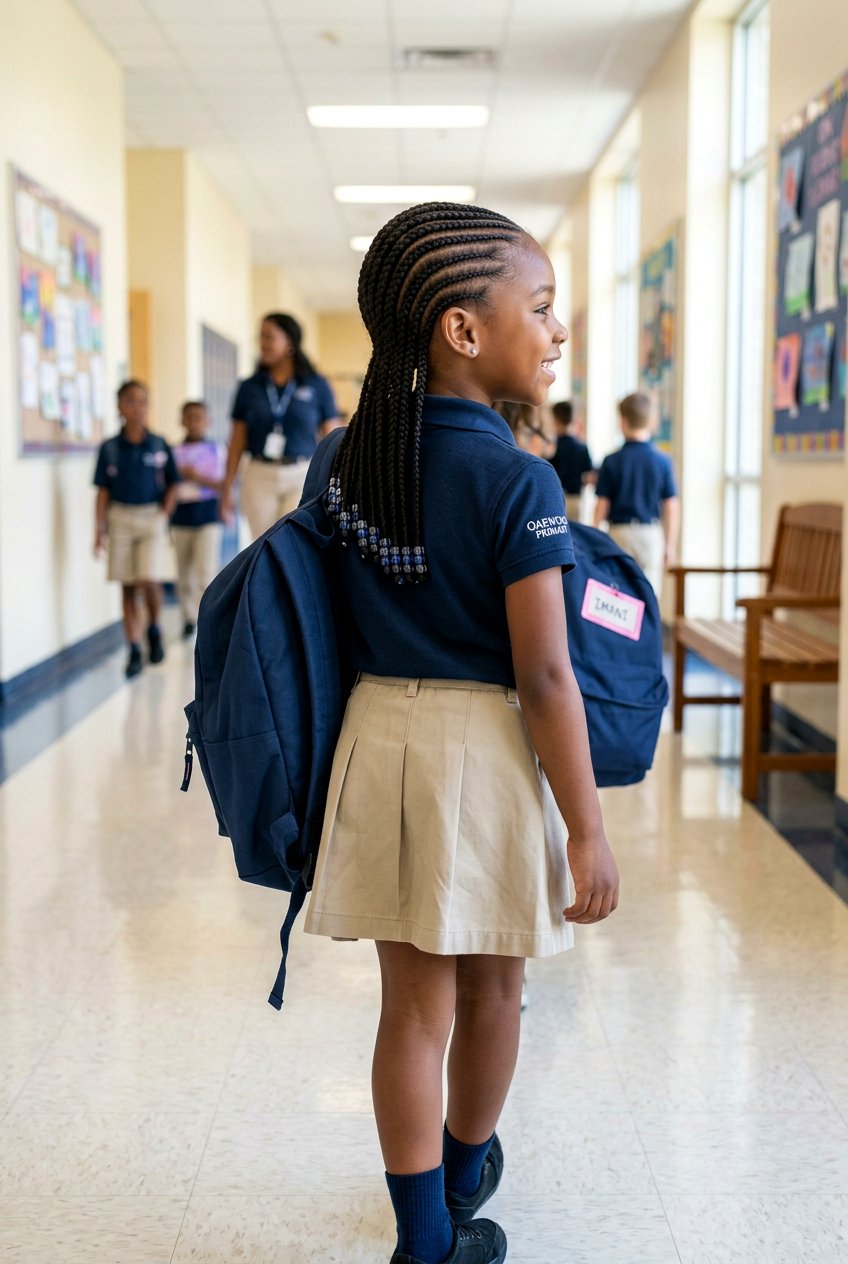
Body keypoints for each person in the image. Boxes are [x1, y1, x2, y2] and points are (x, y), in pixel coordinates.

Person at [303, 202, 619, 1264]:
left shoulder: (345, 463)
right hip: (477, 754)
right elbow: (542, 675)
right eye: (539, 307)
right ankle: (466, 1161)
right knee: (494, 990)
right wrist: (586, 828)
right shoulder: (516, 479)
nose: (556, 330)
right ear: (462, 329)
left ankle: (423, 1235)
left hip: (374, 738)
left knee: (410, 1010)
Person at [222, 312, 341, 539]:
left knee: (294, 540)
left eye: (269, 337)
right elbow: (236, 440)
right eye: (260, 338)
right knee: (263, 544)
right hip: (259, 475)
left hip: (301, 473)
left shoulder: (316, 384)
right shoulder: (250, 387)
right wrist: (227, 487)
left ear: (290, 342)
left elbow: (332, 436)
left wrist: (335, 483)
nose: (262, 344)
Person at [93, 380, 180, 678]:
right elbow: (102, 491)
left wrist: (163, 515)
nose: (137, 407)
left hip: (150, 516)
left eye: (143, 401)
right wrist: (98, 530)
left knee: (149, 579)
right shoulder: (109, 448)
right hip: (120, 518)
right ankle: (133, 648)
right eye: (130, 401)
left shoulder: (158, 444)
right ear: (119, 406)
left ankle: (154, 628)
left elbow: (174, 485)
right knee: (127, 584)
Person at [592, 391, 679, 597]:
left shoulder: (612, 460)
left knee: (619, 594)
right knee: (649, 594)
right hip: (650, 533)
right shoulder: (662, 460)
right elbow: (671, 506)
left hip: (619, 533)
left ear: (622, 421)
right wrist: (670, 545)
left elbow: (602, 505)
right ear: (650, 421)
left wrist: (594, 536)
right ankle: (648, 630)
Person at [170, 400, 226, 638]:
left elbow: (223, 484)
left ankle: (209, 617)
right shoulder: (173, 453)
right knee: (184, 572)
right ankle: (188, 618)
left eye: (199, 417)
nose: (194, 422)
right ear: (182, 421)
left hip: (208, 515)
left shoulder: (217, 450)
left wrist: (196, 476)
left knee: (206, 570)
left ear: (208, 421)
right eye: (189, 417)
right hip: (181, 516)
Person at [548, 400, 593, 521]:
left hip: (554, 498)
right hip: (575, 499)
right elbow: (588, 476)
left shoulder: (551, 447)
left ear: (555, 419)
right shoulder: (582, 447)